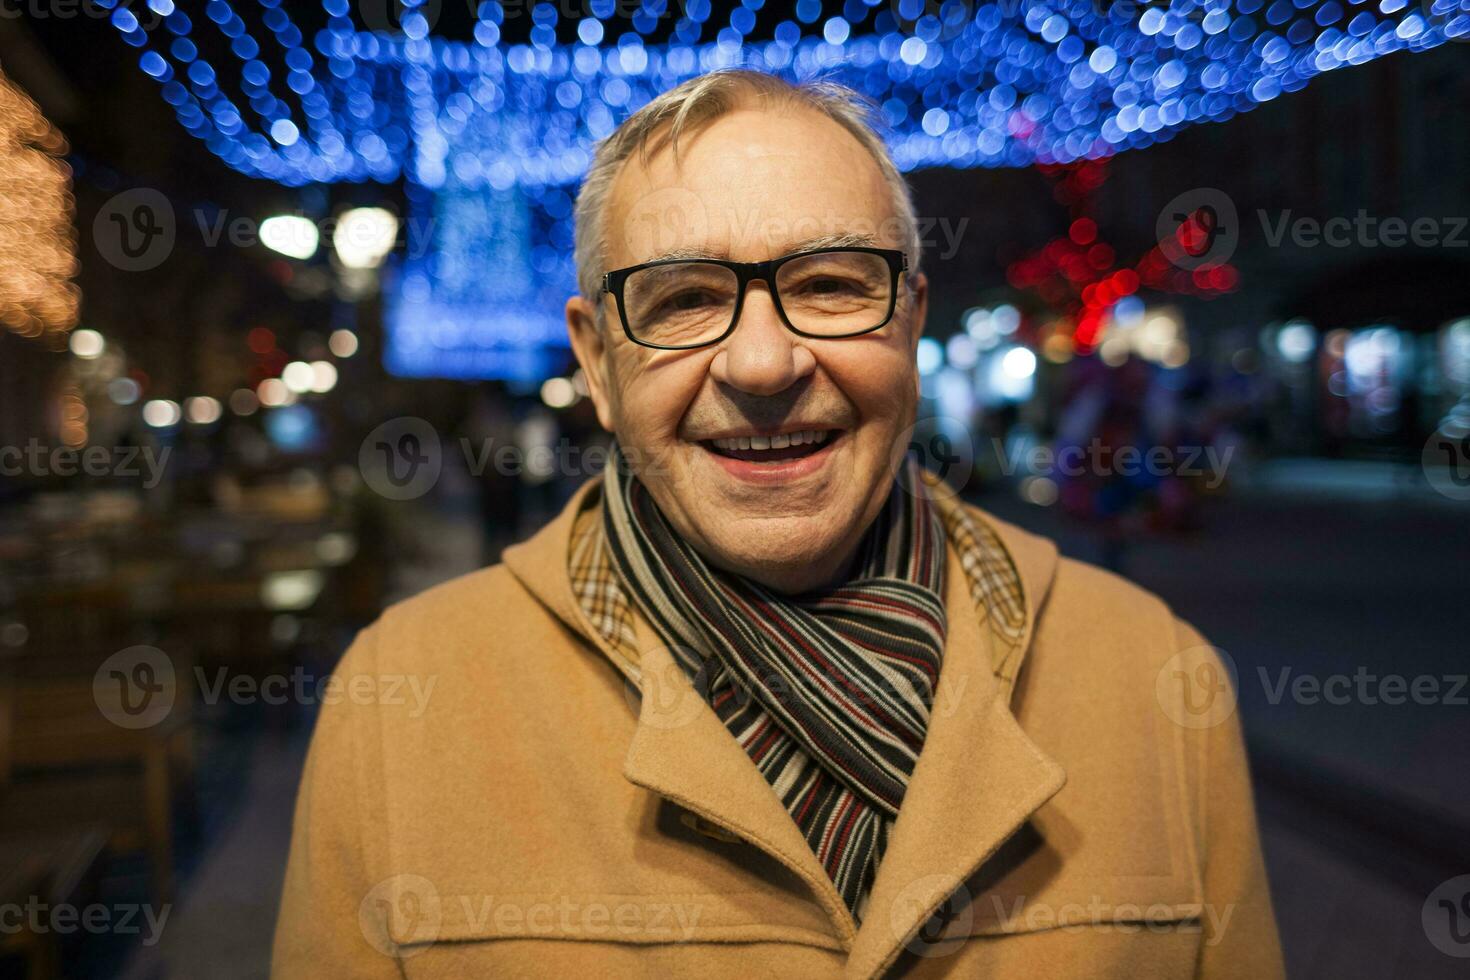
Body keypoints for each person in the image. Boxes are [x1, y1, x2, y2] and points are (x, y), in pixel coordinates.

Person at [273, 69, 1283, 978]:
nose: (764, 364)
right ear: (597, 361)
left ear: (911, 322)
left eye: (833, 284)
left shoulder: (1157, 675)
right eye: (680, 298)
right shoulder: (400, 702)